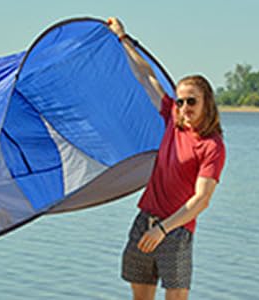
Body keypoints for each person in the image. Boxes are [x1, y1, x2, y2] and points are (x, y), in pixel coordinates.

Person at [107, 18, 226, 300]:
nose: (184, 107)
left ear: (207, 102)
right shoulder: (172, 118)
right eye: (181, 100)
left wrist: (163, 229)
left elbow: (201, 200)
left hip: (177, 230)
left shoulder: (212, 146)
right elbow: (147, 75)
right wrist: (123, 38)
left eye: (192, 101)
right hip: (145, 221)